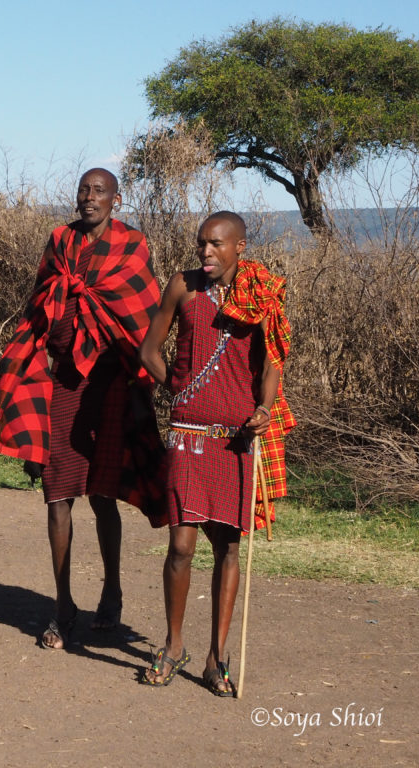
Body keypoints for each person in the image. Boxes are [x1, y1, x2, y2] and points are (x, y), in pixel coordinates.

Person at [0, 168, 166, 650]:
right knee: (57, 493)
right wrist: (22, 365)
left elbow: (143, 317)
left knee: (103, 493)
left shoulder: (130, 245)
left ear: (115, 198)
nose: (89, 198)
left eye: (99, 191)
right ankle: (63, 604)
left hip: (111, 384)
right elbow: (38, 308)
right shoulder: (59, 242)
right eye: (84, 190)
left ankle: (112, 592)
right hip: (64, 381)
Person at [137, 211, 294, 694]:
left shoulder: (262, 296)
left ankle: (216, 655)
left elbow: (272, 364)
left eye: (215, 244)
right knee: (181, 547)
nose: (205, 251)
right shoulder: (182, 288)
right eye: (201, 242)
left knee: (227, 548)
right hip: (188, 434)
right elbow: (148, 350)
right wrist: (177, 392)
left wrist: (264, 410)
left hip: (236, 439)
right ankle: (173, 644)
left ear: (240, 246)